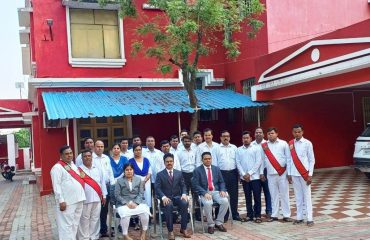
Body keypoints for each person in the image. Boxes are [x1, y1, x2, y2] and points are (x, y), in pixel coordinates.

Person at [51, 145, 86, 240]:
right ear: (61, 155)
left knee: (74, 225)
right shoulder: (57, 168)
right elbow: (56, 185)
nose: (69, 155)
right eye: (66, 154)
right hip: (67, 202)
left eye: (71, 153)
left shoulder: (73, 166)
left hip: (78, 199)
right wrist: (61, 201)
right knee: (66, 227)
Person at [155, 153, 191, 239]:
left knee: (184, 203)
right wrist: (163, 197)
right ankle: (170, 231)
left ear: (173, 162)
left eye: (171, 161)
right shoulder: (160, 174)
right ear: (164, 163)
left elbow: (183, 185)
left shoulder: (179, 173)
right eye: (167, 161)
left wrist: (184, 194)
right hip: (166, 198)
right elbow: (157, 188)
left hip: (177, 197)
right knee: (168, 205)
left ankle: (183, 228)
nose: (169, 163)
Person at [192, 152, 229, 234]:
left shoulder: (216, 169)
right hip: (204, 192)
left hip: (215, 191)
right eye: (205, 159)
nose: (208, 160)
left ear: (211, 159)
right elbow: (195, 185)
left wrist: (222, 190)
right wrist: (204, 193)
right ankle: (211, 224)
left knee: (225, 201)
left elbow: (221, 182)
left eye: (209, 159)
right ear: (202, 160)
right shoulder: (197, 170)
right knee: (208, 203)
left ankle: (218, 222)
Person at [261, 127, 292, 222]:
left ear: (277, 134)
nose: (270, 135)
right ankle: (274, 215)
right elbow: (262, 160)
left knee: (284, 194)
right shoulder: (264, 145)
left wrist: (289, 173)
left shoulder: (283, 143)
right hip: (270, 174)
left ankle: (286, 215)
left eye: (272, 133)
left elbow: (288, 159)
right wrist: (261, 172)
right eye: (269, 133)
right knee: (273, 195)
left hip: (282, 173)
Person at [287, 124, 315, 227]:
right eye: (295, 132)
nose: (297, 133)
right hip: (294, 174)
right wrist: (289, 173)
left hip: (304, 174)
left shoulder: (307, 143)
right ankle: (299, 217)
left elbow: (312, 160)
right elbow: (289, 160)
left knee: (307, 196)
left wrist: (310, 174)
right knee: (298, 196)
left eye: (299, 131)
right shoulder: (290, 144)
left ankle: (310, 218)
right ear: (292, 132)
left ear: (302, 132)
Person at [115, 163, 151, 240]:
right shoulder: (119, 181)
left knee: (145, 211)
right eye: (127, 170)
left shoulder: (138, 179)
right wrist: (126, 203)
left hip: (136, 203)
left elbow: (141, 193)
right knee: (125, 213)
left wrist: (136, 202)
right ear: (124, 171)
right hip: (123, 204)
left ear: (133, 170)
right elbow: (117, 195)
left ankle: (144, 233)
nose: (129, 171)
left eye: (131, 169)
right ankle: (125, 235)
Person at [77, 149, 107, 240]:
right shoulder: (78, 170)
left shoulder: (97, 169)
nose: (87, 158)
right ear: (81, 158)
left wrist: (104, 195)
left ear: (91, 157)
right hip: (85, 199)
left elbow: (102, 182)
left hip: (97, 198)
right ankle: (84, 237)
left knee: (95, 218)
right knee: (84, 219)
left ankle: (94, 236)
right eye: (85, 156)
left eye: (89, 156)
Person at [236, 131, 263, 223]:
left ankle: (258, 215)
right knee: (247, 197)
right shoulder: (239, 150)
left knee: (257, 197)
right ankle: (249, 215)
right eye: (244, 138)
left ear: (251, 139)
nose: (245, 140)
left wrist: (250, 173)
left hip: (255, 177)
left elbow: (258, 162)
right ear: (242, 139)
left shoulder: (256, 149)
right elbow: (238, 163)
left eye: (247, 138)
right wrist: (243, 174)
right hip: (244, 179)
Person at [93, 140, 115, 237]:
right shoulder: (91, 158)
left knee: (107, 209)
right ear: (94, 147)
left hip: (108, 186)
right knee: (99, 210)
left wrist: (112, 184)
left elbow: (110, 172)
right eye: (98, 146)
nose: (100, 148)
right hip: (97, 188)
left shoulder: (106, 158)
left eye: (102, 146)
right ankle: (100, 230)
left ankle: (105, 228)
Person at [252, 127, 272, 219]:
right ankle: (256, 210)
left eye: (260, 132)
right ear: (254, 134)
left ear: (263, 134)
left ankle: (269, 210)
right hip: (255, 171)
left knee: (267, 191)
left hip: (265, 170)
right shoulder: (251, 145)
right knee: (256, 192)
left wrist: (262, 172)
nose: (258, 134)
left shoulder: (267, 144)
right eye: (257, 132)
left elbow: (266, 159)